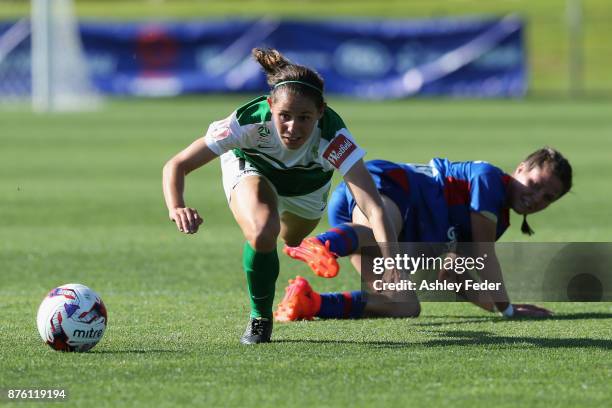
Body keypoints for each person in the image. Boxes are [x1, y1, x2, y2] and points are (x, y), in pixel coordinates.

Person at [162, 48, 398, 344]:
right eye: (284, 116)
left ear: (321, 112)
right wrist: (177, 206)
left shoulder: (333, 136)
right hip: (253, 168)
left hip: (307, 187)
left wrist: (392, 261)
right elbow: (177, 164)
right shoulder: (248, 121)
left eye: (304, 117)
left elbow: (372, 204)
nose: (293, 127)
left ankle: (304, 246)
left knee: (292, 239)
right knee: (263, 231)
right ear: (270, 105)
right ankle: (260, 317)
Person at [275, 147, 573, 321]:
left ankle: (309, 302)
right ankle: (319, 244)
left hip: (359, 224)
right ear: (520, 169)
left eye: (547, 197)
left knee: (403, 304)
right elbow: (483, 254)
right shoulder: (489, 180)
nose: (536, 198)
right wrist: (508, 309)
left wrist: (497, 308)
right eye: (534, 184)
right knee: (375, 230)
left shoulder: (499, 220)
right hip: (394, 189)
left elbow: (452, 275)